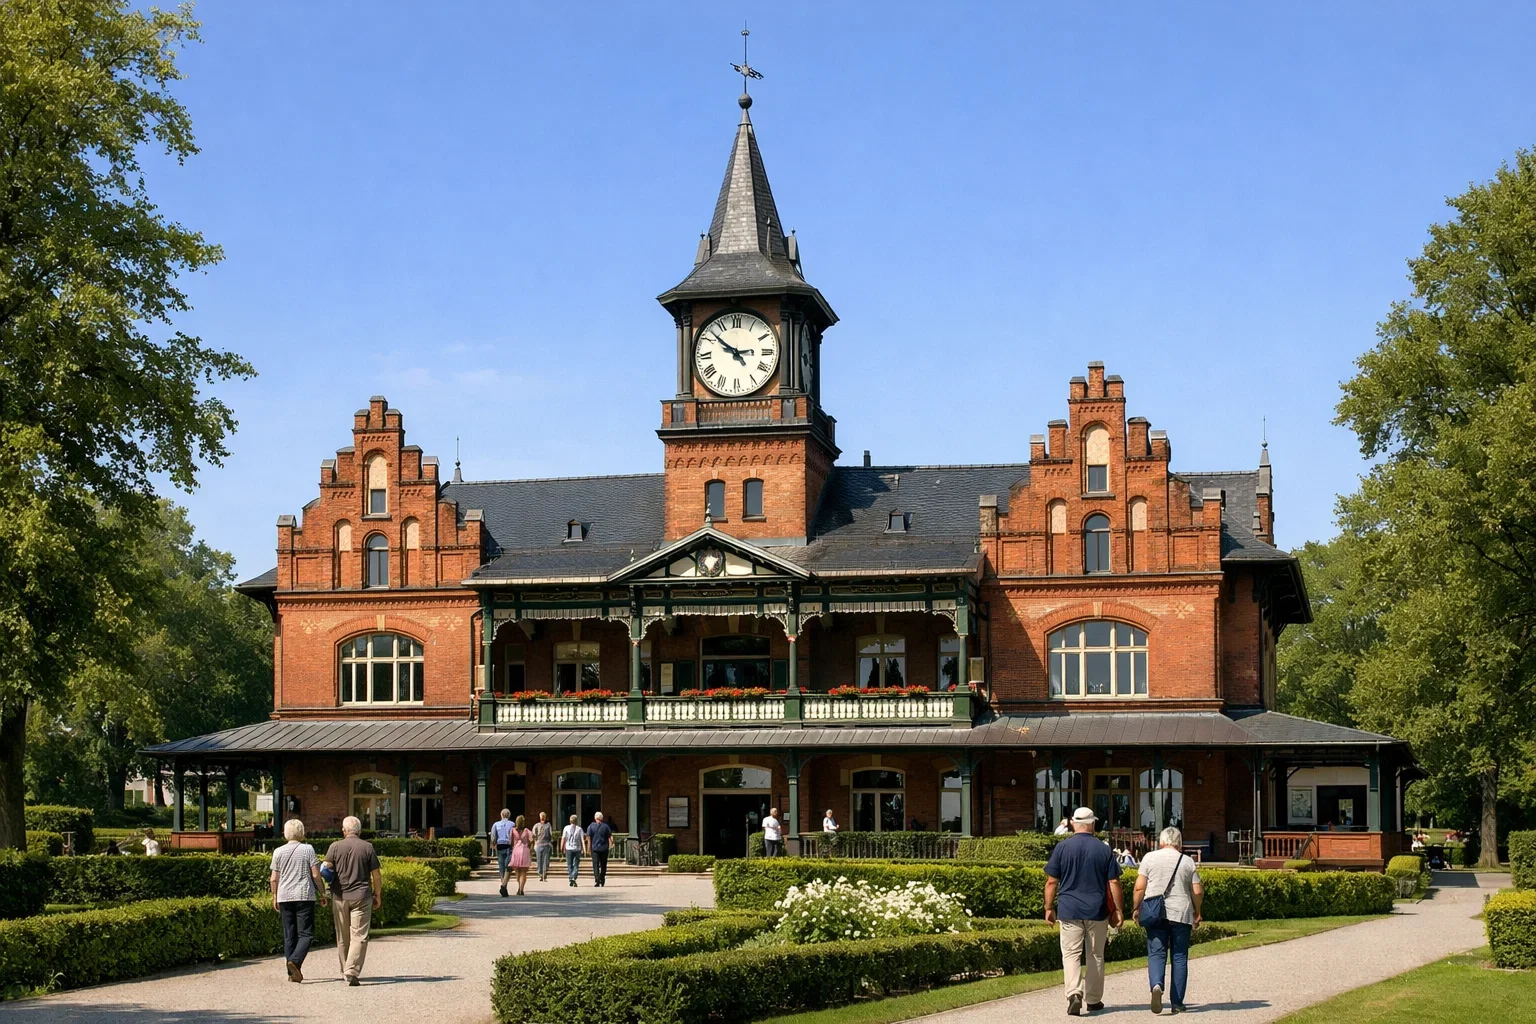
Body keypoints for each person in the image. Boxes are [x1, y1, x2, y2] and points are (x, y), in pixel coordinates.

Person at [1044, 806, 1123, 1017]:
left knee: (1071, 954)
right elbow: (1114, 882)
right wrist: (1118, 910)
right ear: (1093, 824)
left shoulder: (1062, 847)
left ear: (1073, 824)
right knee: (1096, 954)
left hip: (1069, 909)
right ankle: (1093, 999)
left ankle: (1074, 994)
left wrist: (1048, 908)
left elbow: (1051, 882)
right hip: (1097, 910)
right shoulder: (1103, 849)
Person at [1133, 826, 1203, 1015]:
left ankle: (1156, 985)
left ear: (1161, 842)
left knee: (1156, 953)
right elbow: (1197, 891)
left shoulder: (1149, 858)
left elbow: (1139, 887)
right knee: (1179, 956)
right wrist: (1197, 911)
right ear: (1179, 843)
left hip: (1155, 912)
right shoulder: (1187, 861)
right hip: (1181, 913)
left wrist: (1136, 908)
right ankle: (1177, 1002)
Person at [323, 815, 382, 987]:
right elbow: (376, 875)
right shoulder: (367, 847)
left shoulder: (334, 846)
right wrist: (377, 894)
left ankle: (345, 970)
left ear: (344, 831)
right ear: (359, 831)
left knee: (342, 936)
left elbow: (325, 869)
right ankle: (352, 970)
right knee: (359, 936)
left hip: (339, 896)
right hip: (362, 896)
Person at [270, 818, 326, 983]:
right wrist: (322, 892)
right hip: (304, 895)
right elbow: (315, 874)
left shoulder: (278, 852)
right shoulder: (308, 849)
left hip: (284, 896)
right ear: (301, 832)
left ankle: (292, 972)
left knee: (289, 935)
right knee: (306, 934)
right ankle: (295, 962)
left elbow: (274, 878)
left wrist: (275, 896)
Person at [491, 808, 516, 897]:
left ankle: (503, 886)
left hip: (500, 845)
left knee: (501, 867)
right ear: (509, 815)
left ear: (501, 815)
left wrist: (493, 844)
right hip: (509, 846)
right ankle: (504, 886)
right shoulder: (512, 824)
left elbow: (493, 836)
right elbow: (514, 836)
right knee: (508, 867)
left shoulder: (496, 824)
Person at [587, 810, 613, 886]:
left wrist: (588, 848)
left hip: (595, 848)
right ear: (602, 818)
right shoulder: (606, 826)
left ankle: (597, 879)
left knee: (595, 865)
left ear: (595, 818)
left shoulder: (591, 826)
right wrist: (611, 844)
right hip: (604, 848)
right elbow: (610, 836)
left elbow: (589, 838)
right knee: (603, 864)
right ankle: (602, 878)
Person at [509, 814, 533, 895]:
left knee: (517, 871)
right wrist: (528, 845)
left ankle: (519, 886)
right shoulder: (526, 830)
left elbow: (510, 841)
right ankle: (521, 889)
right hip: (524, 850)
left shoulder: (513, 830)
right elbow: (531, 839)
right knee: (523, 871)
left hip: (516, 851)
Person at [561, 814, 585, 887]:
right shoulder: (579, 829)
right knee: (576, 864)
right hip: (577, 849)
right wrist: (584, 849)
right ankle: (573, 877)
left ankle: (571, 877)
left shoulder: (566, 828)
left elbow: (563, 838)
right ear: (576, 821)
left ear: (570, 821)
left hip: (568, 848)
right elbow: (582, 840)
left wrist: (562, 848)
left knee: (569, 864)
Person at [532, 811, 554, 882]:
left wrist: (550, 841)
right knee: (539, 860)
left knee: (546, 861)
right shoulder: (536, 825)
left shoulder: (548, 825)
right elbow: (533, 835)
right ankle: (540, 874)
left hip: (546, 845)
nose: (543, 818)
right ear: (539, 817)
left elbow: (551, 834)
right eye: (542, 816)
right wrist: (535, 842)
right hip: (538, 845)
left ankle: (544, 874)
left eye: (544, 816)